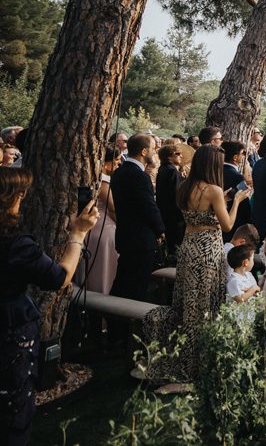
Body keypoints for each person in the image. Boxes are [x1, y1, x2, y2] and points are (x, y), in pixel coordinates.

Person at [0, 167, 98, 446]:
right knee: (12, 410)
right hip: (9, 330)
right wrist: (78, 234)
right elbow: (60, 277)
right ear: (11, 199)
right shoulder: (15, 245)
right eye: (21, 196)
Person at [142, 144, 252, 382]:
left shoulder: (185, 186)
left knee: (189, 302)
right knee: (205, 304)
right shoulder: (212, 189)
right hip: (207, 250)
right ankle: (199, 361)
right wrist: (237, 201)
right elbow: (227, 226)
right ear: (212, 165)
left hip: (189, 246)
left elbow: (200, 211)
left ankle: (185, 353)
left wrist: (222, 199)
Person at [110, 134, 164, 307]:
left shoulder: (119, 172)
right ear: (143, 151)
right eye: (153, 149)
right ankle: (125, 329)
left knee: (123, 283)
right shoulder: (140, 177)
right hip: (141, 240)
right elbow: (148, 208)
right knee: (135, 289)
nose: (155, 152)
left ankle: (116, 325)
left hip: (125, 236)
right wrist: (160, 229)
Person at [75, 146, 120, 293]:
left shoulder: (90, 178)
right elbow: (112, 207)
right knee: (102, 264)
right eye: (116, 161)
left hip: (93, 225)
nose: (119, 164)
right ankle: (101, 291)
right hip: (103, 227)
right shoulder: (104, 181)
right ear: (107, 164)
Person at [155, 144, 184, 254]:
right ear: (169, 156)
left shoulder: (163, 169)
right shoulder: (172, 171)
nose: (181, 156)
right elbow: (177, 195)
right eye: (177, 154)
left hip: (165, 214)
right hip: (174, 217)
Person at [221, 141, 252, 241]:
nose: (244, 156)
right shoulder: (237, 176)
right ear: (235, 157)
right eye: (242, 153)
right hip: (234, 220)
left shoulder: (217, 171)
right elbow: (243, 201)